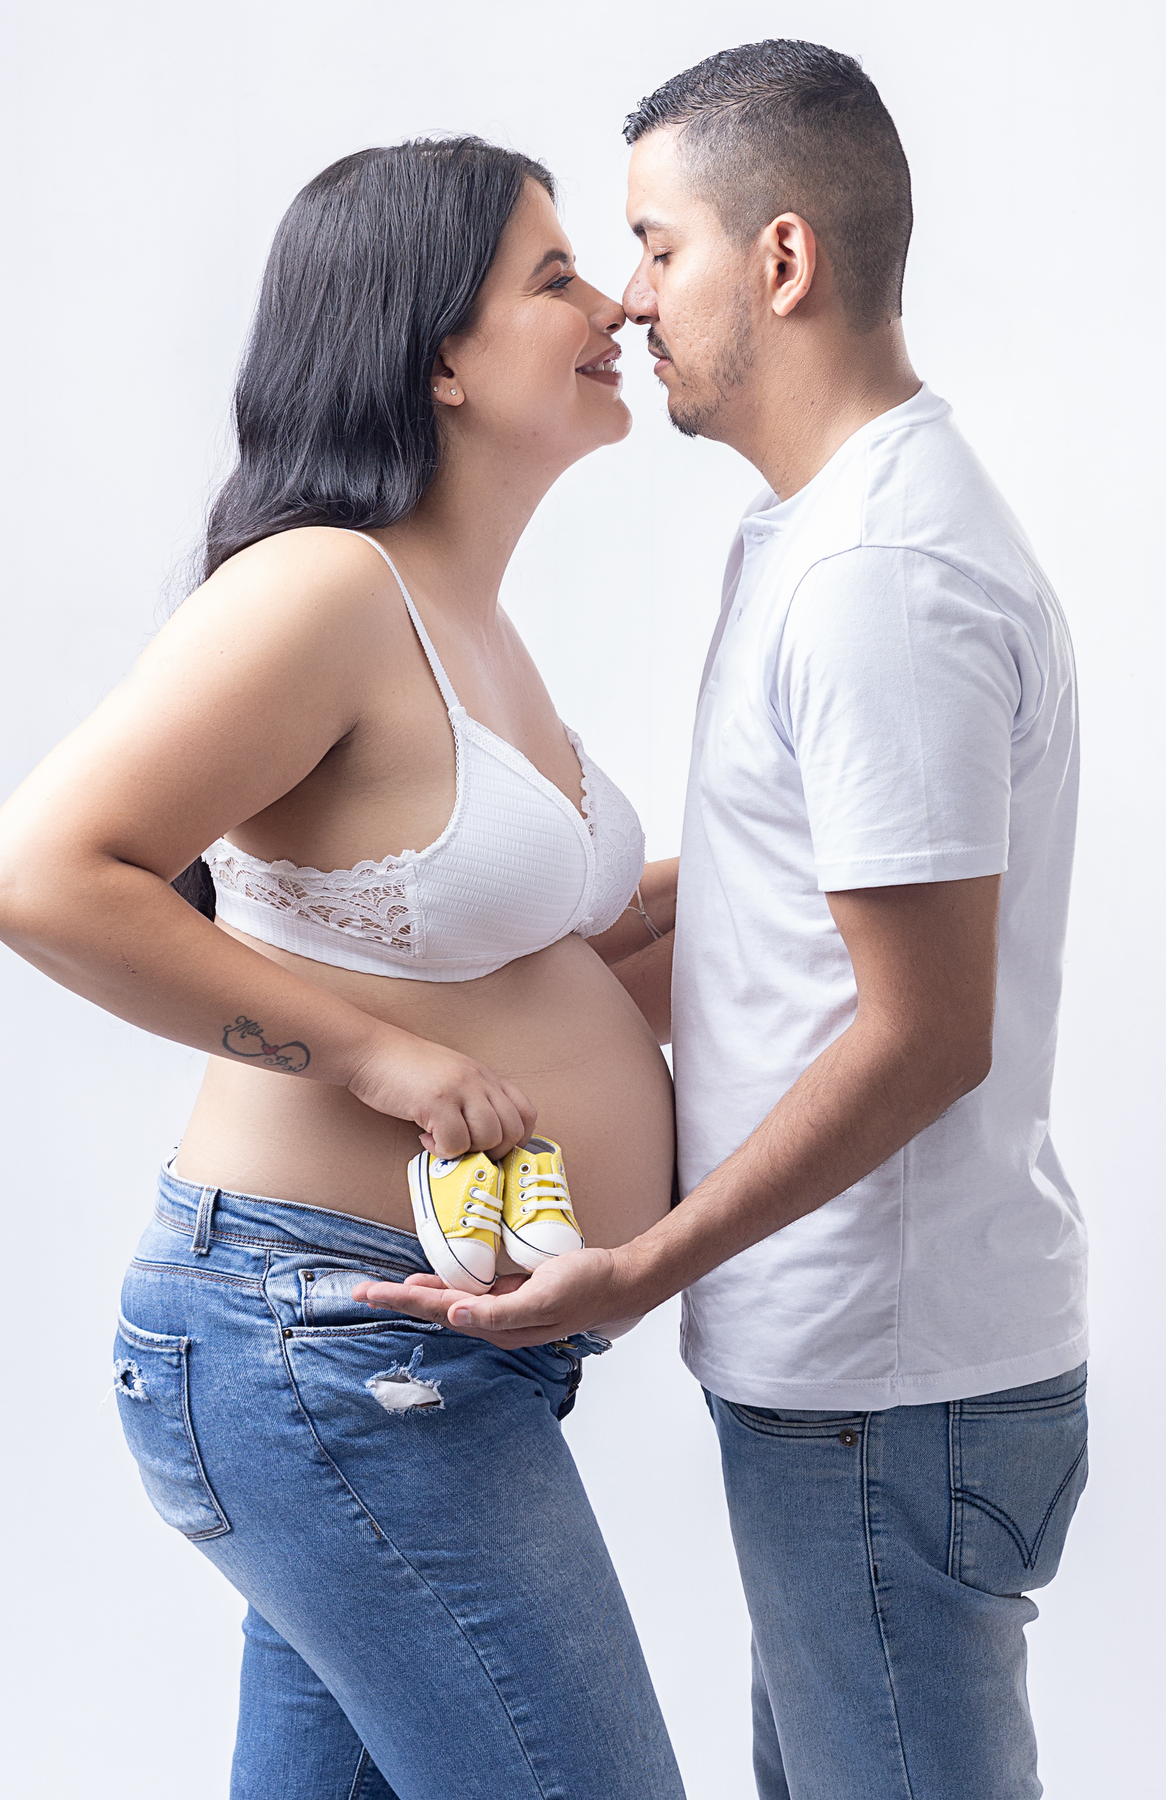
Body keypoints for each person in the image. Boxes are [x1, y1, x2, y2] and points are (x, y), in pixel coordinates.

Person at [368, 43, 1089, 1800]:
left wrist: (640, 1269)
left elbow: (922, 1030)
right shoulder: (817, 537)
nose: (628, 297)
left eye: (652, 243)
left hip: (882, 1391)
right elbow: (791, 904)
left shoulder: (876, 585)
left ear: (782, 262)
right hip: (854, 1385)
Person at [0, 138, 686, 1800]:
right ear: (440, 353)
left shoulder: (464, 614)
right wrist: (381, 1063)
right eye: (556, 277)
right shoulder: (323, 589)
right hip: (327, 1340)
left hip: (411, 1344)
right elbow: (37, 878)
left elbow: (524, 956)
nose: (614, 307)